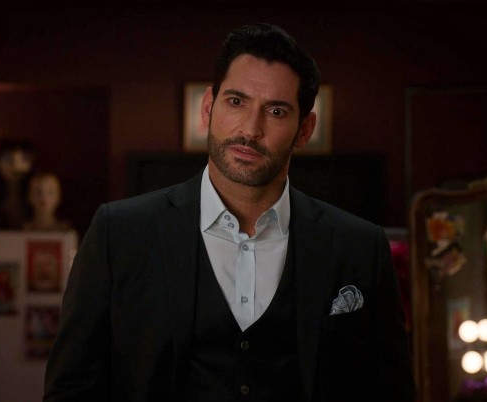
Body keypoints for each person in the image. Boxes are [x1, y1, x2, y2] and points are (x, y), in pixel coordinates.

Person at [44, 23, 415, 402]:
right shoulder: (119, 233)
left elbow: (391, 392)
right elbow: (71, 388)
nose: (250, 130)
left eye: (276, 111)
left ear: (304, 130)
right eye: (236, 102)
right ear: (209, 107)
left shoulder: (359, 246)